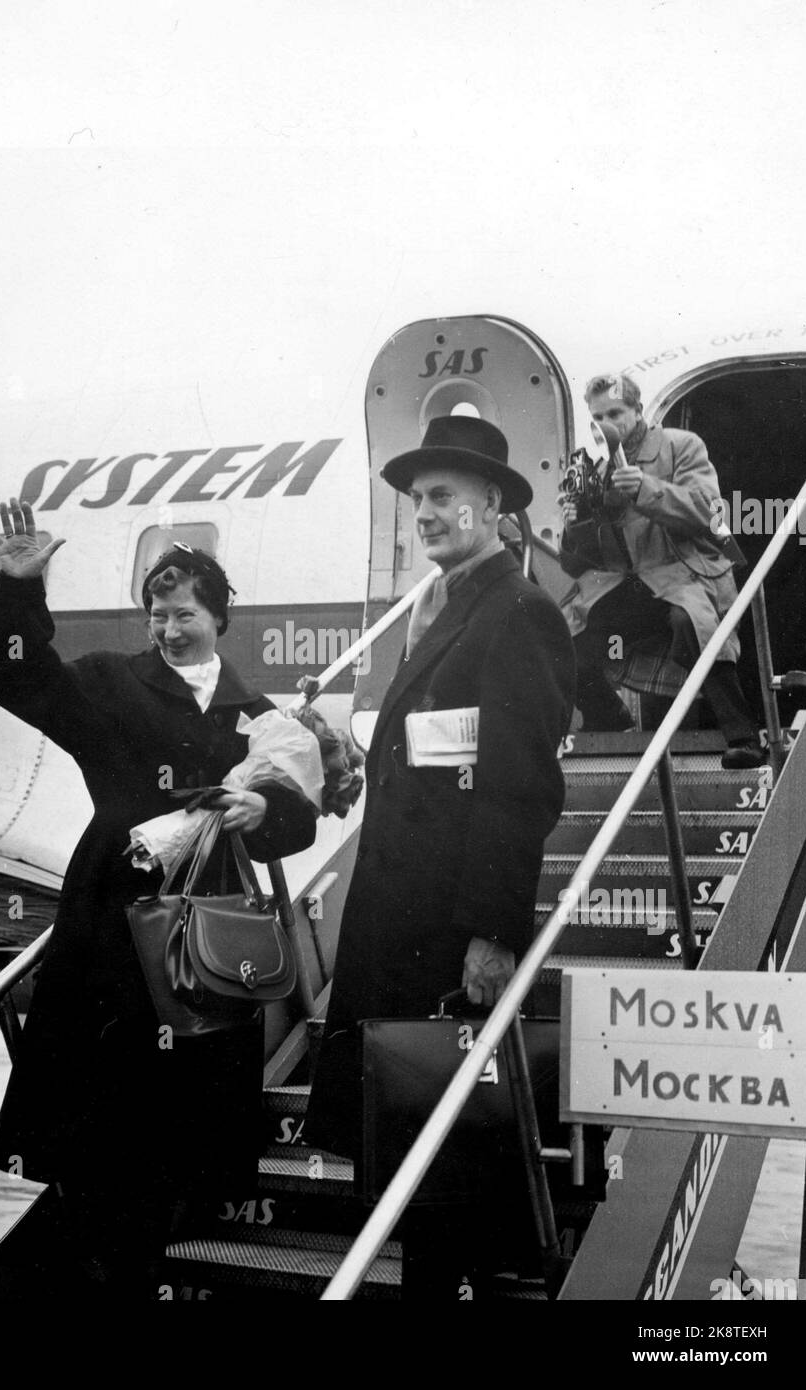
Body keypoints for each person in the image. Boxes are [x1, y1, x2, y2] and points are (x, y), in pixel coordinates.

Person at [0, 499, 316, 1292]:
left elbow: (296, 817)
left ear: (219, 618)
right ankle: (111, 1259)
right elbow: (18, 676)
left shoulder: (258, 717)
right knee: (109, 1113)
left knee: (185, 1116)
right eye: (158, 615)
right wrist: (20, 588)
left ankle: (160, 1250)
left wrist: (268, 811)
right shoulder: (106, 685)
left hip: (208, 924)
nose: (169, 630)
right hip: (113, 920)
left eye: (185, 614)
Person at [305, 415, 576, 1298]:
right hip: (399, 917)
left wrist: (490, 936)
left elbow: (516, 791)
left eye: (441, 496)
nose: (423, 513)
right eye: (416, 499)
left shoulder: (519, 613)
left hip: (445, 930)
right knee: (407, 1146)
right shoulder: (448, 608)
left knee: (441, 1152)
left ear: (491, 505)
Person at [559, 372, 763, 768]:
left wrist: (645, 489)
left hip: (683, 574)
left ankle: (743, 735)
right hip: (631, 583)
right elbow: (576, 565)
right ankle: (608, 717)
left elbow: (709, 513)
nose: (607, 424)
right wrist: (573, 526)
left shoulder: (681, 445)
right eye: (598, 417)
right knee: (565, 640)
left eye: (615, 412)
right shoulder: (594, 470)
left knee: (690, 622)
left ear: (638, 410)